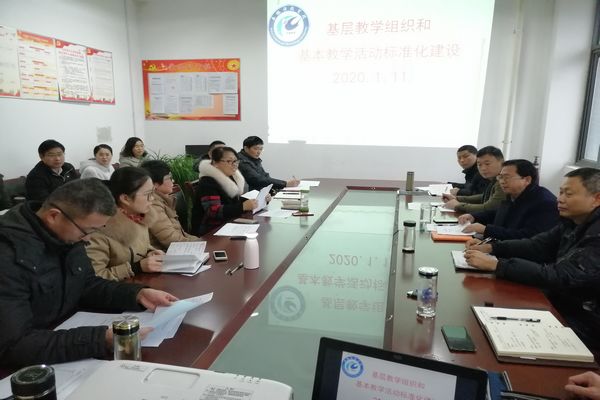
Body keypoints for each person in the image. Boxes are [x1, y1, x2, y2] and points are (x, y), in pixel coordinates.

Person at [0, 179, 176, 368]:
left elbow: (86, 285)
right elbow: (14, 345)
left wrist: (137, 294)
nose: (89, 238)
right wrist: (101, 339)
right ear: (54, 216)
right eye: (88, 230)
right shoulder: (8, 255)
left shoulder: (67, 235)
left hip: (59, 338)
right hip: (24, 366)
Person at [464, 168, 600, 352]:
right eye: (560, 192)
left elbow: (560, 276)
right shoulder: (572, 222)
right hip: (561, 303)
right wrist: (492, 247)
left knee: (494, 336)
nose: (560, 199)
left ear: (597, 199)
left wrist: (498, 265)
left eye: (568, 194)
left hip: (587, 323)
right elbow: (536, 245)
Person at [85, 167, 164, 281]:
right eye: (148, 194)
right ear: (125, 199)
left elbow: (140, 247)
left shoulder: (138, 217)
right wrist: (136, 268)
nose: (152, 198)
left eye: (153, 192)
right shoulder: (102, 228)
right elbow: (93, 277)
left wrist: (150, 252)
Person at [459, 159, 559, 240]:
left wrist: (486, 230)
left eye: (506, 177)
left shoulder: (544, 203)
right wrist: (473, 216)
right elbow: (499, 214)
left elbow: (528, 236)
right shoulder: (514, 193)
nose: (502, 181)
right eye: (500, 177)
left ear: (527, 180)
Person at [192, 146, 257, 235]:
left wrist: (253, 202)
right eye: (229, 161)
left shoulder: (229, 177)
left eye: (236, 161)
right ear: (215, 163)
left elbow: (234, 200)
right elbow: (213, 211)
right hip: (211, 230)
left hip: (227, 224)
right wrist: (242, 207)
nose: (234, 165)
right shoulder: (208, 181)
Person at [141, 160, 201, 250]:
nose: (173, 180)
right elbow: (171, 240)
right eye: (169, 178)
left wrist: (201, 242)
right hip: (165, 254)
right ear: (154, 184)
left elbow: (181, 234)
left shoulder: (163, 200)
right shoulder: (153, 204)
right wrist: (201, 245)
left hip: (178, 248)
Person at [442, 146, 505, 214]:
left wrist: (458, 206)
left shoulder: (504, 181)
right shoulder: (494, 178)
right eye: (479, 165)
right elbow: (484, 196)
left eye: (487, 164)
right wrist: (457, 198)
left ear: (501, 162)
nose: (483, 168)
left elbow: (489, 208)